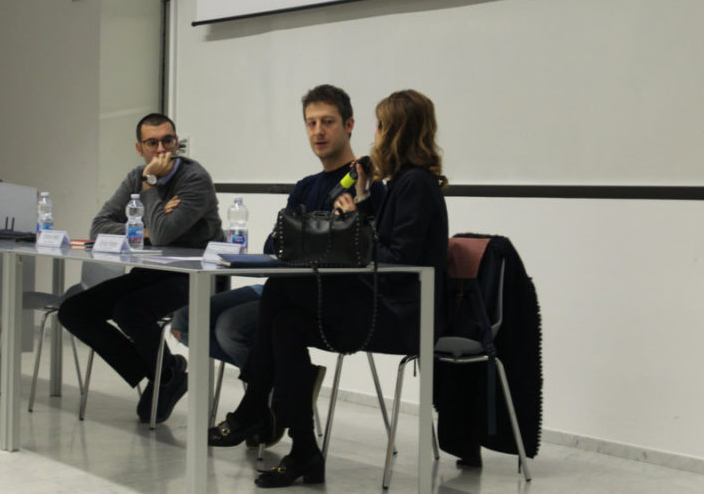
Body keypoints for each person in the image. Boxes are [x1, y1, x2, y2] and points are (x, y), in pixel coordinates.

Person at [208, 89, 449, 488]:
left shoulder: (416, 185)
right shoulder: (403, 183)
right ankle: (303, 448)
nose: (376, 135)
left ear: (397, 131)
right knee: (284, 320)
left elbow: (396, 263)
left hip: (402, 316)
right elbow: (376, 246)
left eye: (381, 126)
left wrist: (354, 221)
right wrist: (362, 208)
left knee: (279, 293)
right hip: (383, 305)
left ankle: (254, 407)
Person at [167, 84, 384, 387]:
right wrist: (317, 235)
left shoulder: (366, 185)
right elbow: (274, 245)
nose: (318, 131)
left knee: (230, 328)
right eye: (311, 123)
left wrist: (306, 236)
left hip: (324, 298)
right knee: (184, 322)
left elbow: (362, 252)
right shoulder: (306, 186)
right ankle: (291, 381)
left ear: (349, 125)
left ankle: (280, 392)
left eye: (328, 122)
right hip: (280, 288)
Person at [58, 113, 223, 424]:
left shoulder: (194, 179)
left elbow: (163, 235)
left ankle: (163, 376)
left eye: (167, 141)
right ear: (139, 148)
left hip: (195, 274)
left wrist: (150, 188)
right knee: (73, 311)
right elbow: (99, 226)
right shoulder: (136, 176)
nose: (161, 149)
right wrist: (147, 228)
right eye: (152, 143)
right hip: (150, 271)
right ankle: (165, 373)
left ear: (176, 142)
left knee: (129, 311)